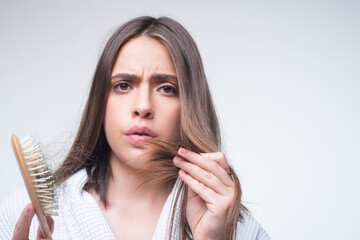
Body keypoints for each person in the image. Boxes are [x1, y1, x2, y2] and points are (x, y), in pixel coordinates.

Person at [0, 16, 270, 240]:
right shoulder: (23, 212)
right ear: (101, 103)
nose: (142, 106)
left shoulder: (239, 229)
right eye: (123, 85)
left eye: (166, 88)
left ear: (190, 106)